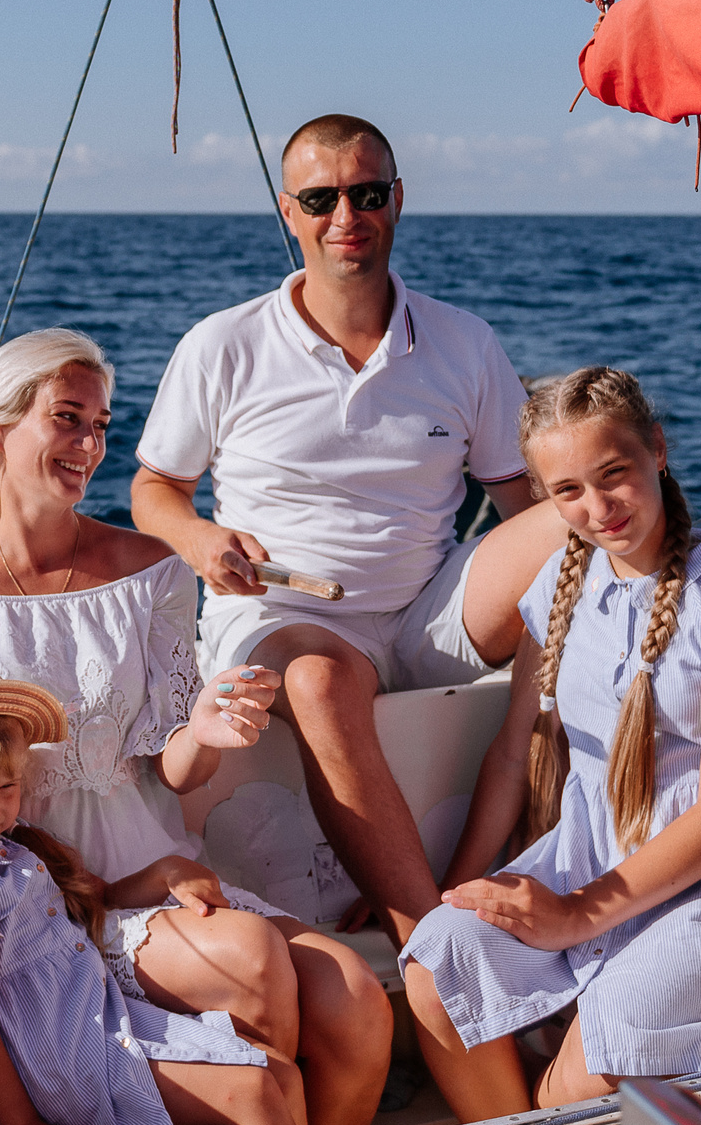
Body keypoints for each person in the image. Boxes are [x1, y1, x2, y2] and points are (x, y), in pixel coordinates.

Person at [0, 328, 392, 1125]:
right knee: (250, 963)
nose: (90, 444)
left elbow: (170, 769)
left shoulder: (152, 569)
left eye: (102, 425)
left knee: (357, 1000)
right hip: (38, 910)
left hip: (149, 872)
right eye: (67, 418)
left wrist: (204, 728)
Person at [131, 114, 560, 952]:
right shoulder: (224, 344)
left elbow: (523, 497)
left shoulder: (464, 343)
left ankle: (584, 837)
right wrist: (200, 539)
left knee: (571, 527)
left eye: (366, 194)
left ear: (396, 201)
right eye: (321, 198)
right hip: (286, 616)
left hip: (426, 611)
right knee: (323, 681)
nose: (346, 216)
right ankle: (432, 939)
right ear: (288, 211)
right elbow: (155, 489)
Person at [399, 367, 701, 1120]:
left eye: (614, 475)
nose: (598, 507)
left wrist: (578, 914)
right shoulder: (558, 584)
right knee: (439, 958)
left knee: (602, 1050)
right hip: (588, 860)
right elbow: (515, 753)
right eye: (568, 491)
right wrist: (453, 893)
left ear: (658, 449)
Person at [0, 667, 310, 1125]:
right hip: (52, 1062)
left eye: (7, 788)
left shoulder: (16, 846)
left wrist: (164, 872)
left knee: (280, 1073)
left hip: (100, 1021)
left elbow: (94, 899)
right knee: (252, 1089)